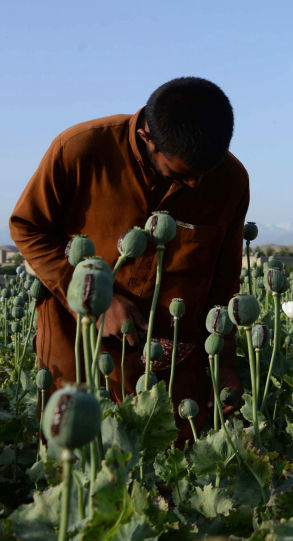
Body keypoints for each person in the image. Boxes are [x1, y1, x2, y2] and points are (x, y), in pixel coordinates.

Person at [10, 77, 248, 438]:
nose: (197, 186)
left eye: (205, 174)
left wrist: (224, 360)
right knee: (79, 463)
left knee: (169, 471)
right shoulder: (79, 150)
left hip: (174, 360)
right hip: (78, 342)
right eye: (182, 177)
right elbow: (28, 227)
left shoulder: (230, 178)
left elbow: (224, 279)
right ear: (147, 137)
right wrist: (94, 302)